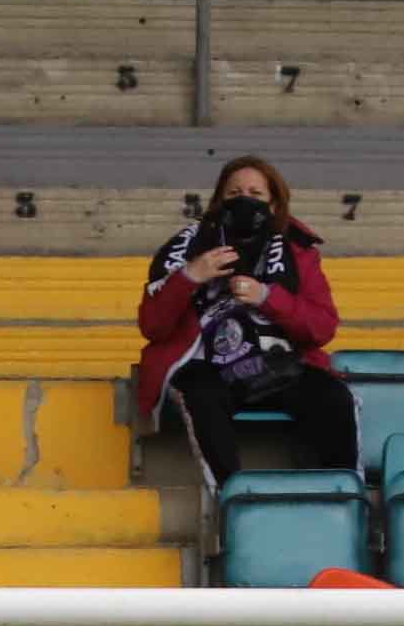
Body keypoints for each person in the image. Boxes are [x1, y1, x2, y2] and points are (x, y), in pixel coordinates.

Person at [137, 155, 357, 488]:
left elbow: (322, 326)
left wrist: (268, 298)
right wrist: (189, 277)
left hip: (276, 365)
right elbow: (152, 327)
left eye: (256, 194)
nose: (244, 201)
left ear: (274, 203)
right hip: (211, 370)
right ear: (218, 201)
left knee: (332, 395)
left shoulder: (298, 251)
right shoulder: (189, 247)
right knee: (201, 392)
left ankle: (340, 499)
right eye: (234, 193)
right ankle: (233, 500)